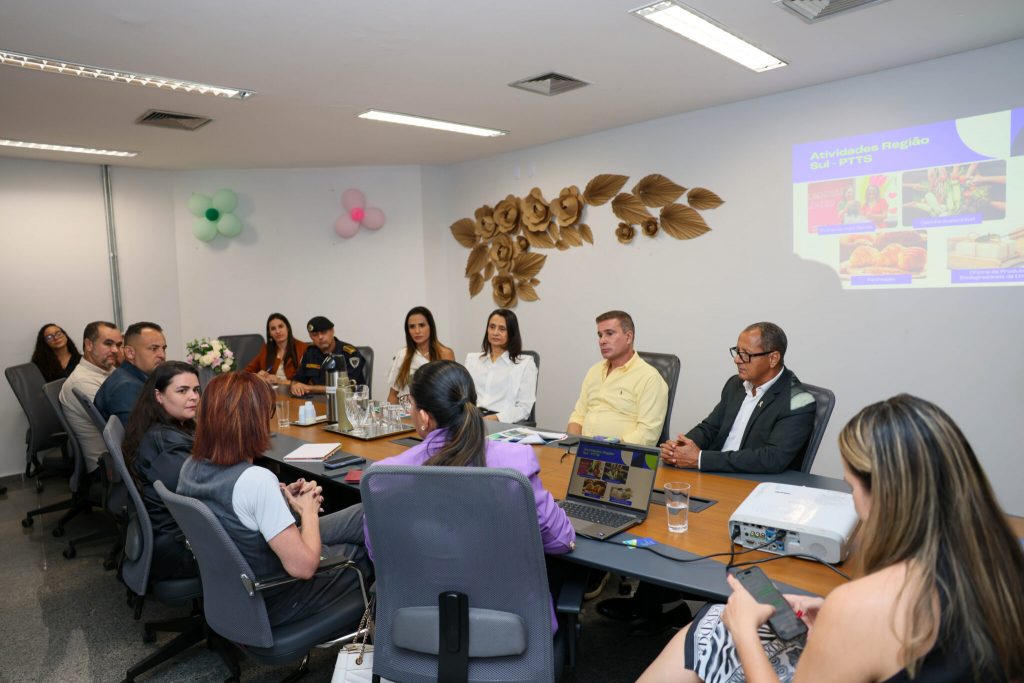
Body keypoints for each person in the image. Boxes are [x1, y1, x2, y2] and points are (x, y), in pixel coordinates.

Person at [639, 394, 1024, 683]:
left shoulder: (866, 604)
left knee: (713, 624)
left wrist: (743, 632)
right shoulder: (1004, 564)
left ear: (884, 495)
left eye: (850, 485)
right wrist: (831, 608)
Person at [367, 360, 575, 630]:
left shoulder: (384, 477)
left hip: (419, 627)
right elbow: (560, 539)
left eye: (411, 403)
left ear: (424, 417)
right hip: (511, 629)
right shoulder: (516, 462)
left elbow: (381, 556)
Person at [177, 372, 369, 627]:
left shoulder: (191, 466)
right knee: (368, 549)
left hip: (238, 589)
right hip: (279, 597)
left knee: (364, 515)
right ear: (253, 422)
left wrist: (279, 498)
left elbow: (232, 510)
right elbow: (304, 568)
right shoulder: (256, 480)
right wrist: (308, 511)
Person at [660, 322, 815, 474]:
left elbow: (771, 458)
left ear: (773, 358)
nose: (737, 360)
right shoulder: (736, 384)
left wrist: (700, 459)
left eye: (746, 354)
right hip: (714, 474)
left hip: (751, 483)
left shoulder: (799, 402)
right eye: (737, 351)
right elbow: (710, 428)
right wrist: (679, 448)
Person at [122, 361, 201, 580]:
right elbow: (199, 496)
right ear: (159, 396)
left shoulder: (166, 428)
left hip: (172, 534)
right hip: (176, 547)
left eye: (196, 390)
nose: (193, 396)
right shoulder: (165, 443)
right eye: (182, 391)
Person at [567, 310, 667, 447]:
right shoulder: (594, 371)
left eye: (609, 333)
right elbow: (578, 416)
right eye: (600, 335)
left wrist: (608, 449)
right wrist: (571, 444)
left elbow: (647, 435)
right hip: (582, 452)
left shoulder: (649, 378)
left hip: (620, 458)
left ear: (628, 337)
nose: (602, 341)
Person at [59, 321, 124, 474]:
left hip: (120, 455)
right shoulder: (82, 382)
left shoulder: (108, 370)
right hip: (107, 466)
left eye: (118, 344)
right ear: (88, 344)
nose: (115, 350)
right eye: (108, 344)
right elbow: (123, 424)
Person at [463, 308, 537, 423]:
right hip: (472, 419)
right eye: (492, 327)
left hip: (502, 422)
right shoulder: (472, 360)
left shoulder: (525, 363)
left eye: (502, 329)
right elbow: (463, 397)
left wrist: (495, 418)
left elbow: (524, 408)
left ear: (512, 333)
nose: (495, 332)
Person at [95, 322, 167, 426]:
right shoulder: (127, 387)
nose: (162, 355)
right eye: (154, 348)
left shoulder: (128, 375)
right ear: (130, 353)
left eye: (163, 348)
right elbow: (140, 435)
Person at [385, 306, 455, 406]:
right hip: (404, 414)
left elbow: (451, 394)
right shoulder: (402, 355)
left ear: (431, 326)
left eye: (422, 325)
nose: (417, 331)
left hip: (435, 413)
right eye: (412, 327)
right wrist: (390, 420)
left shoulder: (445, 354)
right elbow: (392, 395)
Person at [290, 316, 366, 396]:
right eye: (315, 335)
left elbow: (347, 387)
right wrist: (294, 386)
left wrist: (310, 388)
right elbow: (297, 379)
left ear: (332, 331)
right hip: (317, 401)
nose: (320, 337)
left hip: (348, 402)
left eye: (323, 332)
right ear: (310, 337)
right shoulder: (310, 353)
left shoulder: (350, 354)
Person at [244, 313, 309, 387]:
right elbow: (246, 373)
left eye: (280, 326)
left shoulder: (303, 348)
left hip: (295, 394)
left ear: (287, 328)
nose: (277, 331)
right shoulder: (266, 349)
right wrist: (257, 376)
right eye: (273, 329)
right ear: (270, 333)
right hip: (271, 393)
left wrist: (280, 381)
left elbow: (307, 382)